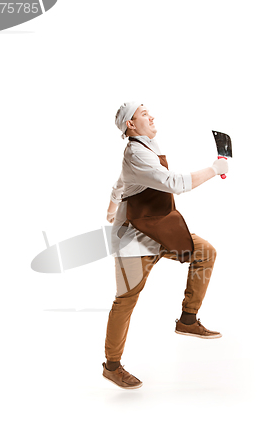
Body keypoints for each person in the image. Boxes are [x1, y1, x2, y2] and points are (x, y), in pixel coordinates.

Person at [102, 102, 229, 389]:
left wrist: (111, 205)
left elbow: (122, 181)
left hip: (158, 229)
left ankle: (187, 319)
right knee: (126, 300)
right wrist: (213, 169)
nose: (152, 116)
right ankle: (112, 366)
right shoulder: (135, 152)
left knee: (205, 252)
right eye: (144, 114)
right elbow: (174, 183)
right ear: (130, 125)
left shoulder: (147, 145)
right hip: (133, 239)